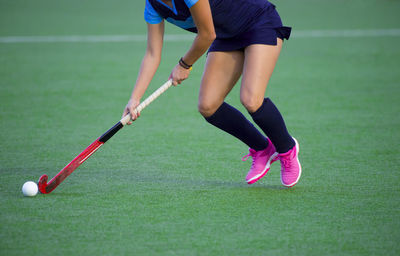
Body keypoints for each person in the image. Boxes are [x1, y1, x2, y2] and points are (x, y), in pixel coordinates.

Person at [122, 0, 301, 187]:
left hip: (257, 22)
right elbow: (152, 54)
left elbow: (207, 34)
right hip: (226, 34)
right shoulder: (152, 6)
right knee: (208, 105)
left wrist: (184, 64)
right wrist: (135, 99)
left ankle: (287, 149)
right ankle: (263, 149)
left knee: (251, 99)